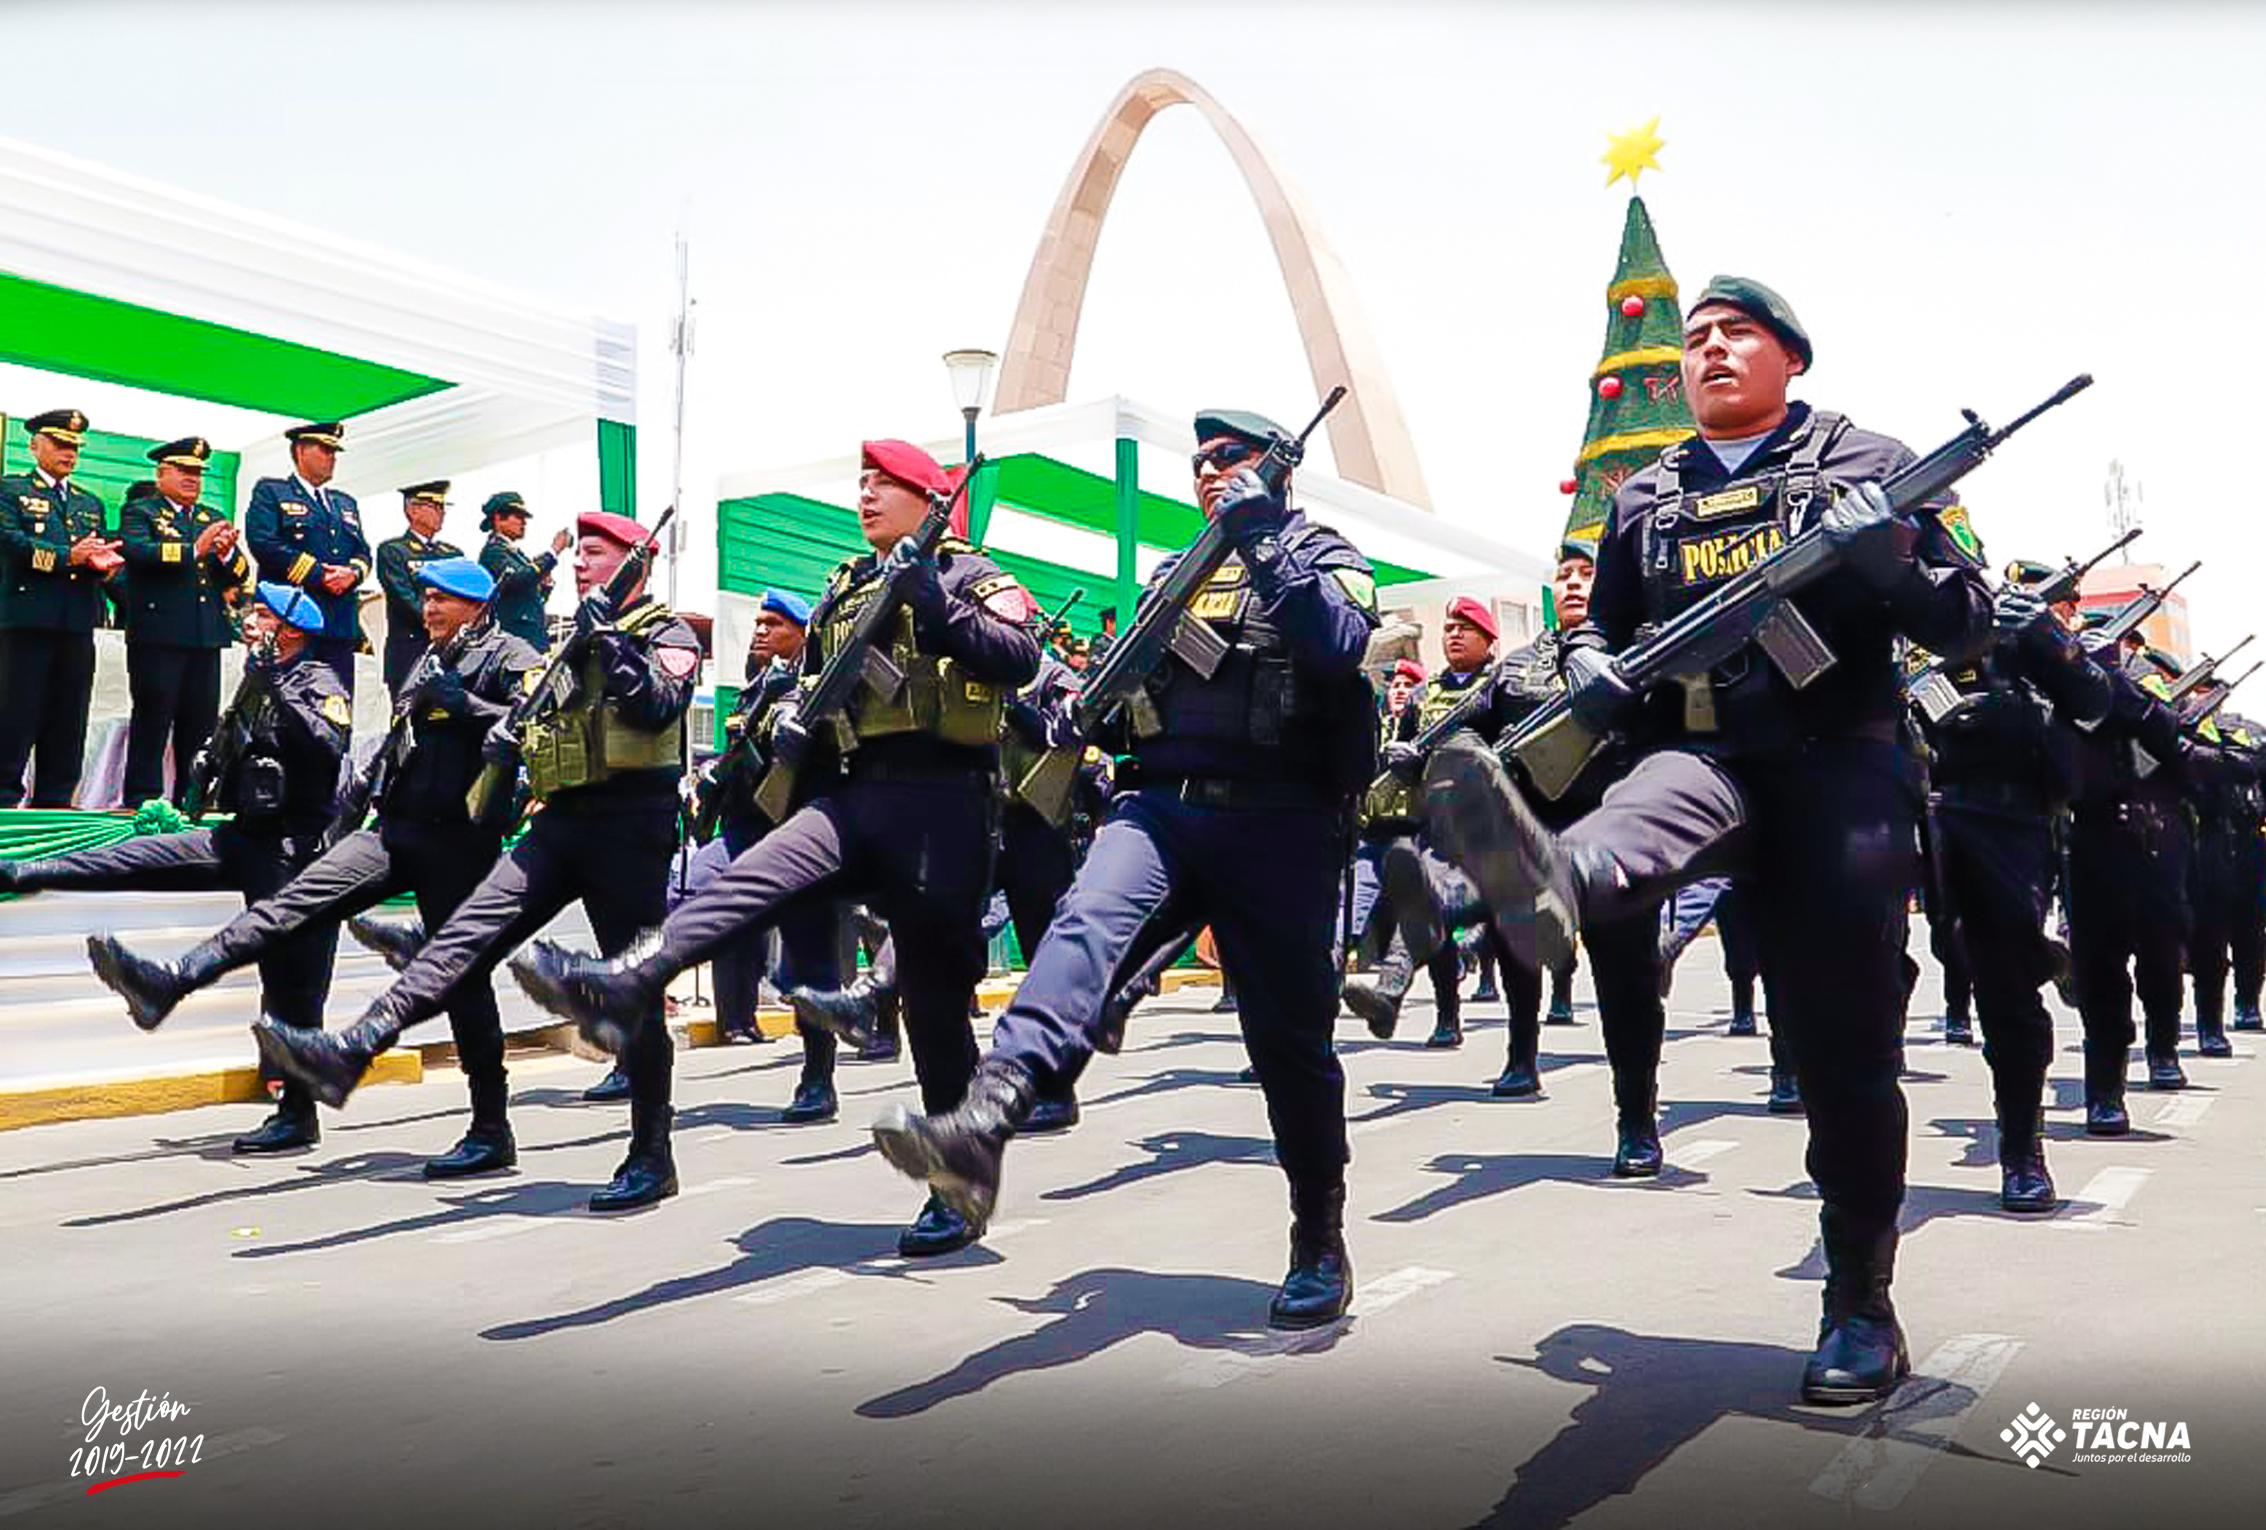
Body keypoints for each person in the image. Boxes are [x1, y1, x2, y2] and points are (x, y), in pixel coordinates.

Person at [1420, 278, 1993, 1402]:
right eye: (1695, 340)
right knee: (1627, 820)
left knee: (1844, 1056)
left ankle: (1859, 1303)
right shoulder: (1644, 498)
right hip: (1707, 752)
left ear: (1791, 356)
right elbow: (1621, 645)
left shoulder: (1873, 461)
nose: (1710, 351)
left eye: (1736, 334)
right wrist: (1590, 662)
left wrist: (1884, 560)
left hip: (1841, 765)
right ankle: (1538, 872)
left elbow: (1968, 625)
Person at [862, 406, 1382, 1329]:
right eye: (1202, 462)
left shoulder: (1322, 550)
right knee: (1081, 926)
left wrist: (1262, 535)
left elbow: (1337, 648)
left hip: (1283, 821)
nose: (1212, 472)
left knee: (1289, 1047)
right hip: (1163, 806)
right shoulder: (1173, 574)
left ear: (1279, 466)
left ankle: (1318, 1234)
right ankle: (988, 1113)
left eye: (1233, 458)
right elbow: (1132, 683)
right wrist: (1083, 713)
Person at [503, 440, 1042, 1254]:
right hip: (856, 790)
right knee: (750, 877)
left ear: (930, 499)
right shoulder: (846, 584)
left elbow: (1019, 656)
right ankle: (626, 977)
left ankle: (957, 1181)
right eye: (861, 484)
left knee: (933, 1007)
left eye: (883, 486)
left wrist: (932, 598)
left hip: (947, 801)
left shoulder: (974, 576)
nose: (864, 497)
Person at [252, 510, 699, 1210]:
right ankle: (411, 1078)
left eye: (597, 552)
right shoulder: (562, 638)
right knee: (466, 941)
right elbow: (530, 720)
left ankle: (651, 1151)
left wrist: (604, 638)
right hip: (560, 822)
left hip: (630, 828)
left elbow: (657, 706)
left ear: (634, 563)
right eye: (577, 552)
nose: (580, 563)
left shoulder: (664, 634)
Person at [89, 557, 540, 1176]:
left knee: (460, 980)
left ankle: (492, 1125)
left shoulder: (511, 655)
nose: (430, 609)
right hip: (393, 828)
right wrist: (344, 826)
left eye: (444, 600)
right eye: (428, 598)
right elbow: (391, 752)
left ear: (478, 606)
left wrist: (466, 706)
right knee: (292, 909)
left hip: (460, 842)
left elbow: (537, 727)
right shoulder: (427, 658)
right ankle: (177, 983)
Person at [1, 583, 348, 1150]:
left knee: (291, 987)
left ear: (291, 631)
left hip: (296, 853)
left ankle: (297, 1114)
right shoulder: (256, 681)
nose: (251, 621)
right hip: (243, 837)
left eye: (263, 615)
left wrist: (272, 689)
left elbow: (327, 746)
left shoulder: (318, 681)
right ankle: (23, 873)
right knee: (136, 858)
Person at [677, 586, 851, 1122]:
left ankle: (817, 1077)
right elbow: (741, 757)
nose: (760, 631)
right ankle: (632, 1036)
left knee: (810, 962)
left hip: (801, 834)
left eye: (774, 624)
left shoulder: (820, 686)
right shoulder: (757, 687)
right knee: (675, 894)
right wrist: (713, 772)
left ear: (802, 635)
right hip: (746, 831)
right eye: (758, 623)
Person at [1344, 607, 1495, 1049]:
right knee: (1431, 909)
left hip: (1491, 827)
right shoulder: (1423, 697)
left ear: (1488, 639)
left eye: (1465, 629)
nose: (1454, 635)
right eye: (1449, 628)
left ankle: (1522, 1045)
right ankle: (1439, 1011)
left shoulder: (1502, 685)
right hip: (1437, 828)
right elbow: (1402, 759)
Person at [117, 437, 251, 807]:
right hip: (159, 636)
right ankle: (142, 802)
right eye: (185, 471)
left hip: (205, 636)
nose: (193, 479)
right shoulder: (142, 511)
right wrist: (195, 550)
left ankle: (192, 801)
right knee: (152, 723)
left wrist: (225, 556)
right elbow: (138, 552)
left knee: (200, 728)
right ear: (162, 474)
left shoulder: (209, 516)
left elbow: (240, 573)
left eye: (198, 473)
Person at [0, 409, 121, 807]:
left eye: (74, 446)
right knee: (15, 717)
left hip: (77, 624)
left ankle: (55, 803)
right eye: (60, 444)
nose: (69, 453)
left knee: (69, 721)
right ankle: (4, 803)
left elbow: (94, 555)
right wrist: (69, 556)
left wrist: (100, 566)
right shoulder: (11, 490)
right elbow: (11, 546)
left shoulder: (89, 502)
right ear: (34, 445)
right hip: (27, 622)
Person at [246, 422, 371, 695]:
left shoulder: (345, 502)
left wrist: (353, 573)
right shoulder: (272, 491)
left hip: (338, 621)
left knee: (336, 708)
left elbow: (363, 552)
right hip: (292, 623)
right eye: (325, 450)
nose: (332, 457)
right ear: (300, 451)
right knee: (284, 706)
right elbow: (264, 543)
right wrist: (320, 575)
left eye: (334, 451)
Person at [375, 481, 464, 694]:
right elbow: (404, 598)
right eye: (434, 507)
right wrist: (442, 622)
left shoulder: (452, 553)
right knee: (405, 718)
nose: (441, 513)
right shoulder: (393, 551)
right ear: (412, 510)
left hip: (448, 650)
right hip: (411, 649)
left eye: (443, 507)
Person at [479, 491, 569, 651]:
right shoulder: (494, 551)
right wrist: (553, 552)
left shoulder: (514, 553)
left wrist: (545, 586)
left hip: (529, 637)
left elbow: (529, 601)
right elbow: (518, 581)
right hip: (515, 639)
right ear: (499, 518)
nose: (524, 523)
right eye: (518, 517)